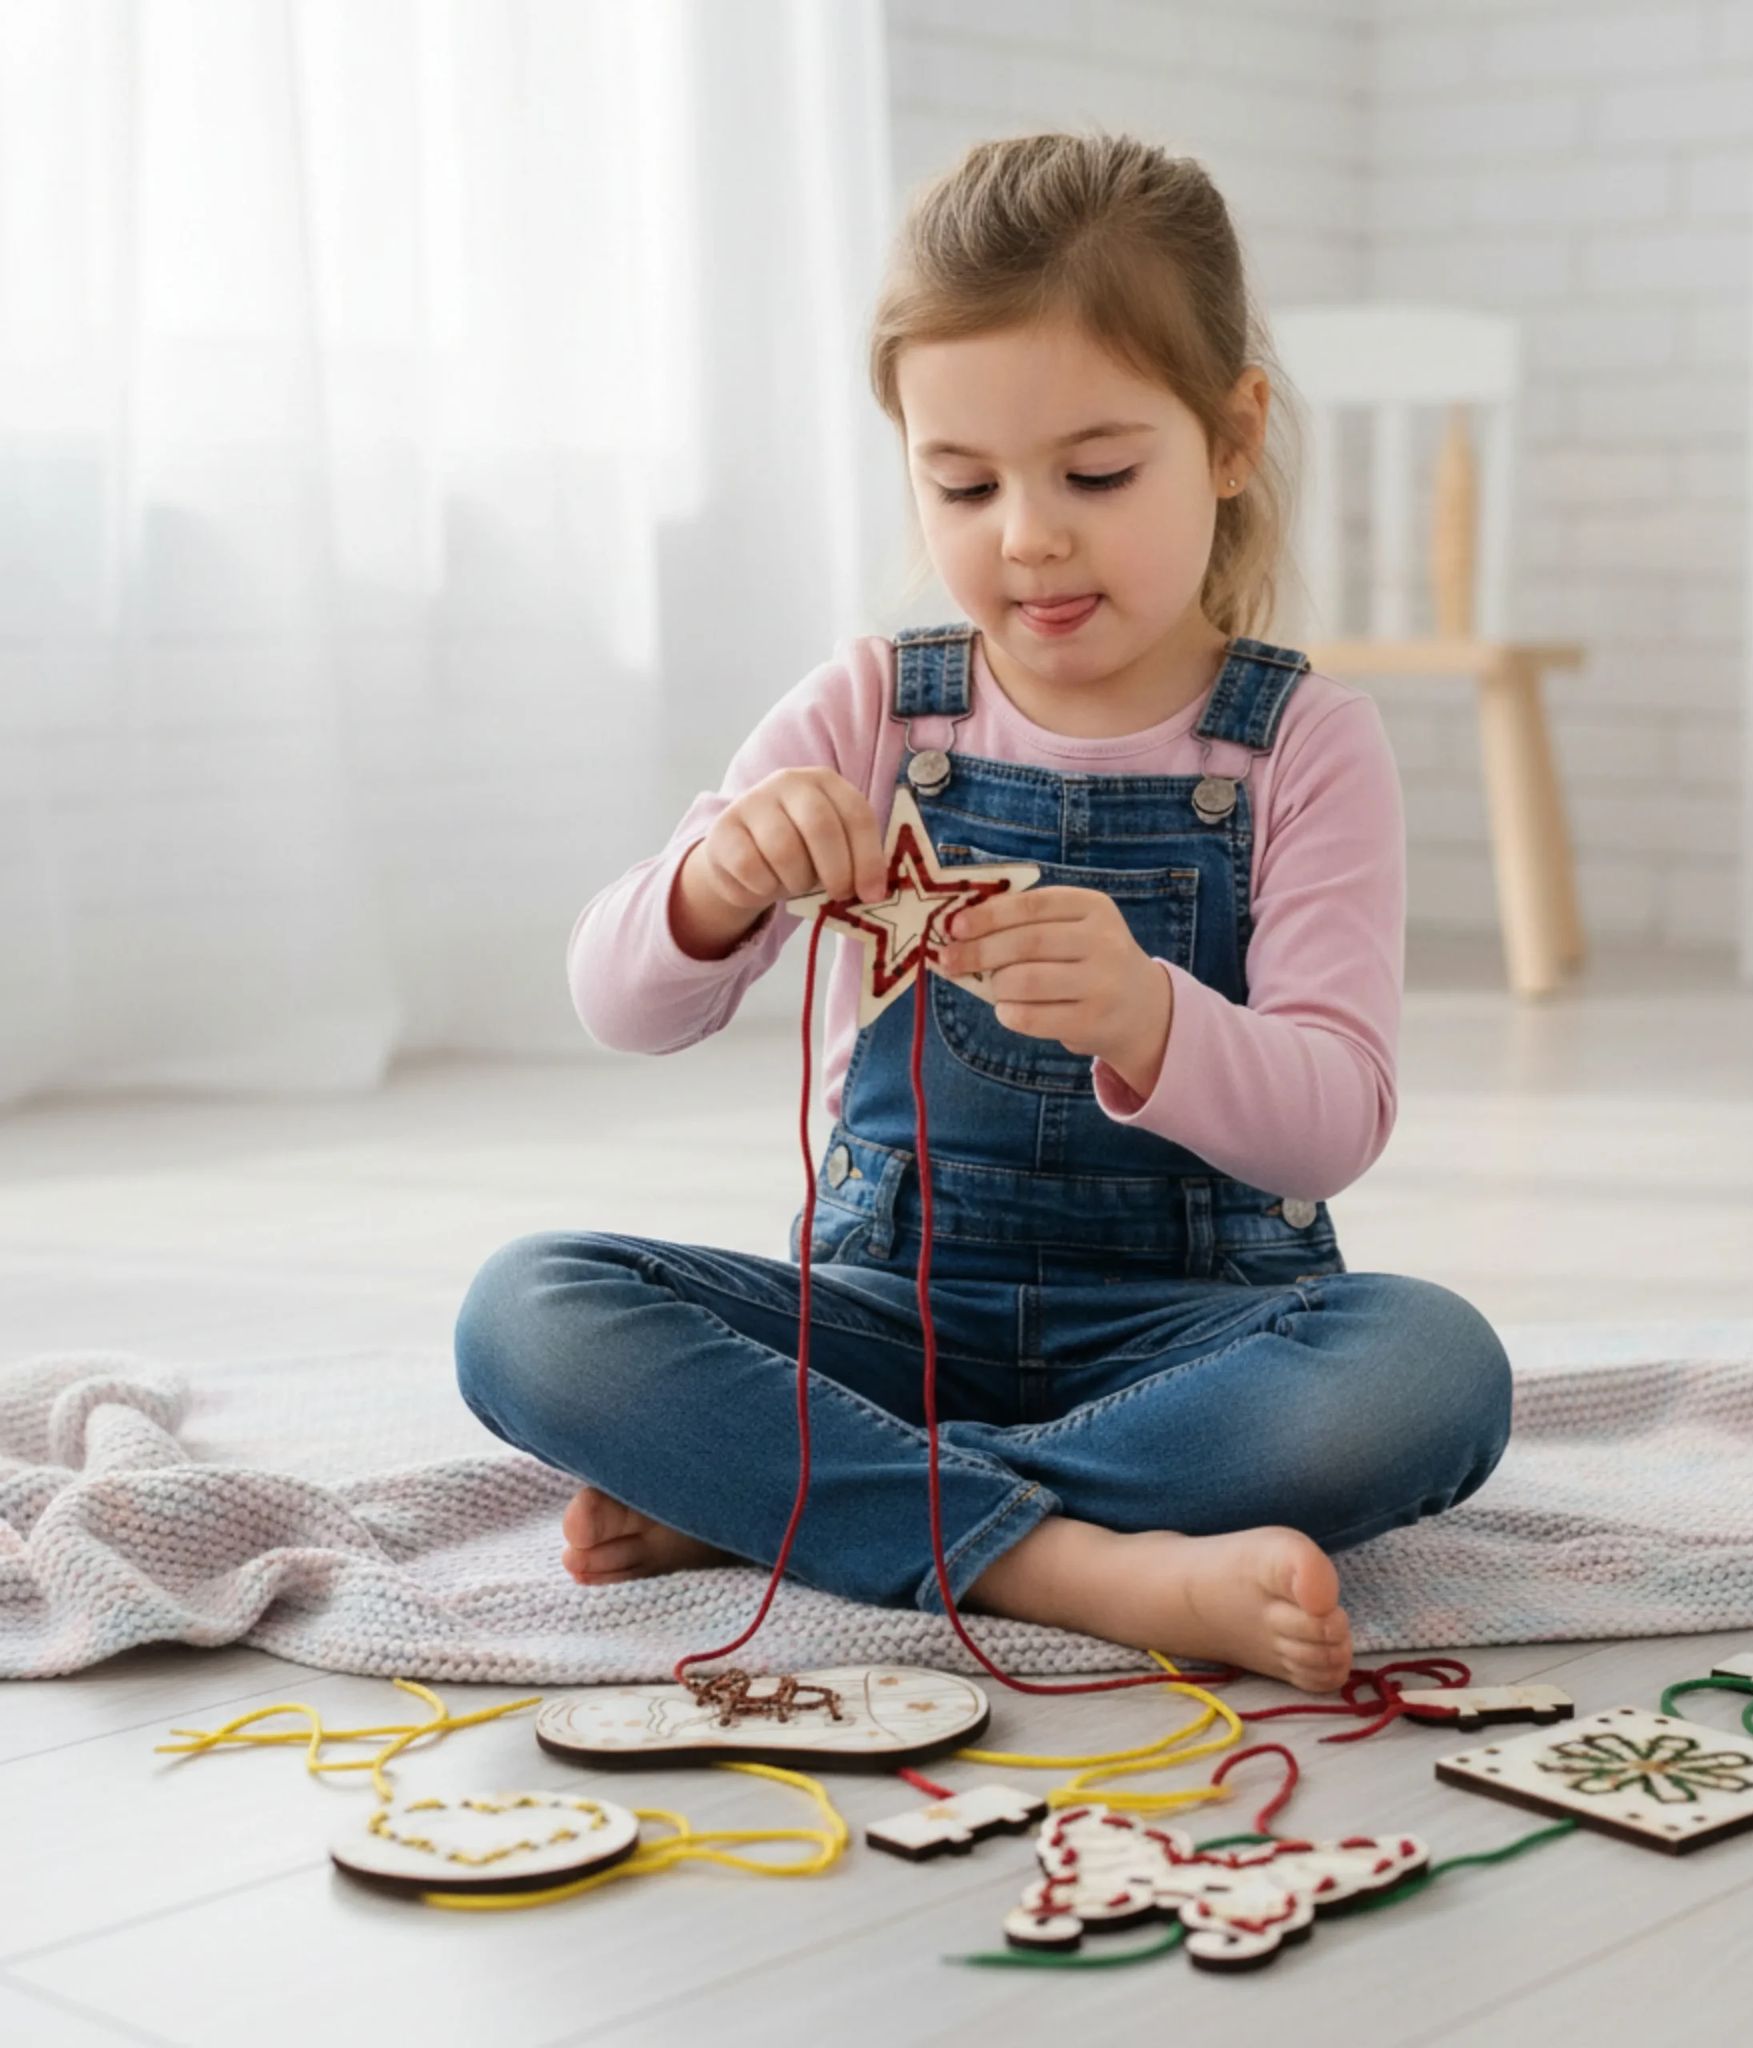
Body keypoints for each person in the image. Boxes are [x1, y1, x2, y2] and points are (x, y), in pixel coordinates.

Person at [454, 131, 1511, 1693]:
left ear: (1230, 438)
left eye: (1096, 474)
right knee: (526, 1311)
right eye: (964, 481)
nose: (1028, 532)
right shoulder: (878, 705)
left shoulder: (1304, 745)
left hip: (1196, 1334)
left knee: (1434, 1373)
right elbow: (620, 1002)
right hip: (891, 1311)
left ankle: (803, 1495)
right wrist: (718, 880)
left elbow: (1334, 1123)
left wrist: (1152, 1015)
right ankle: (1078, 1567)